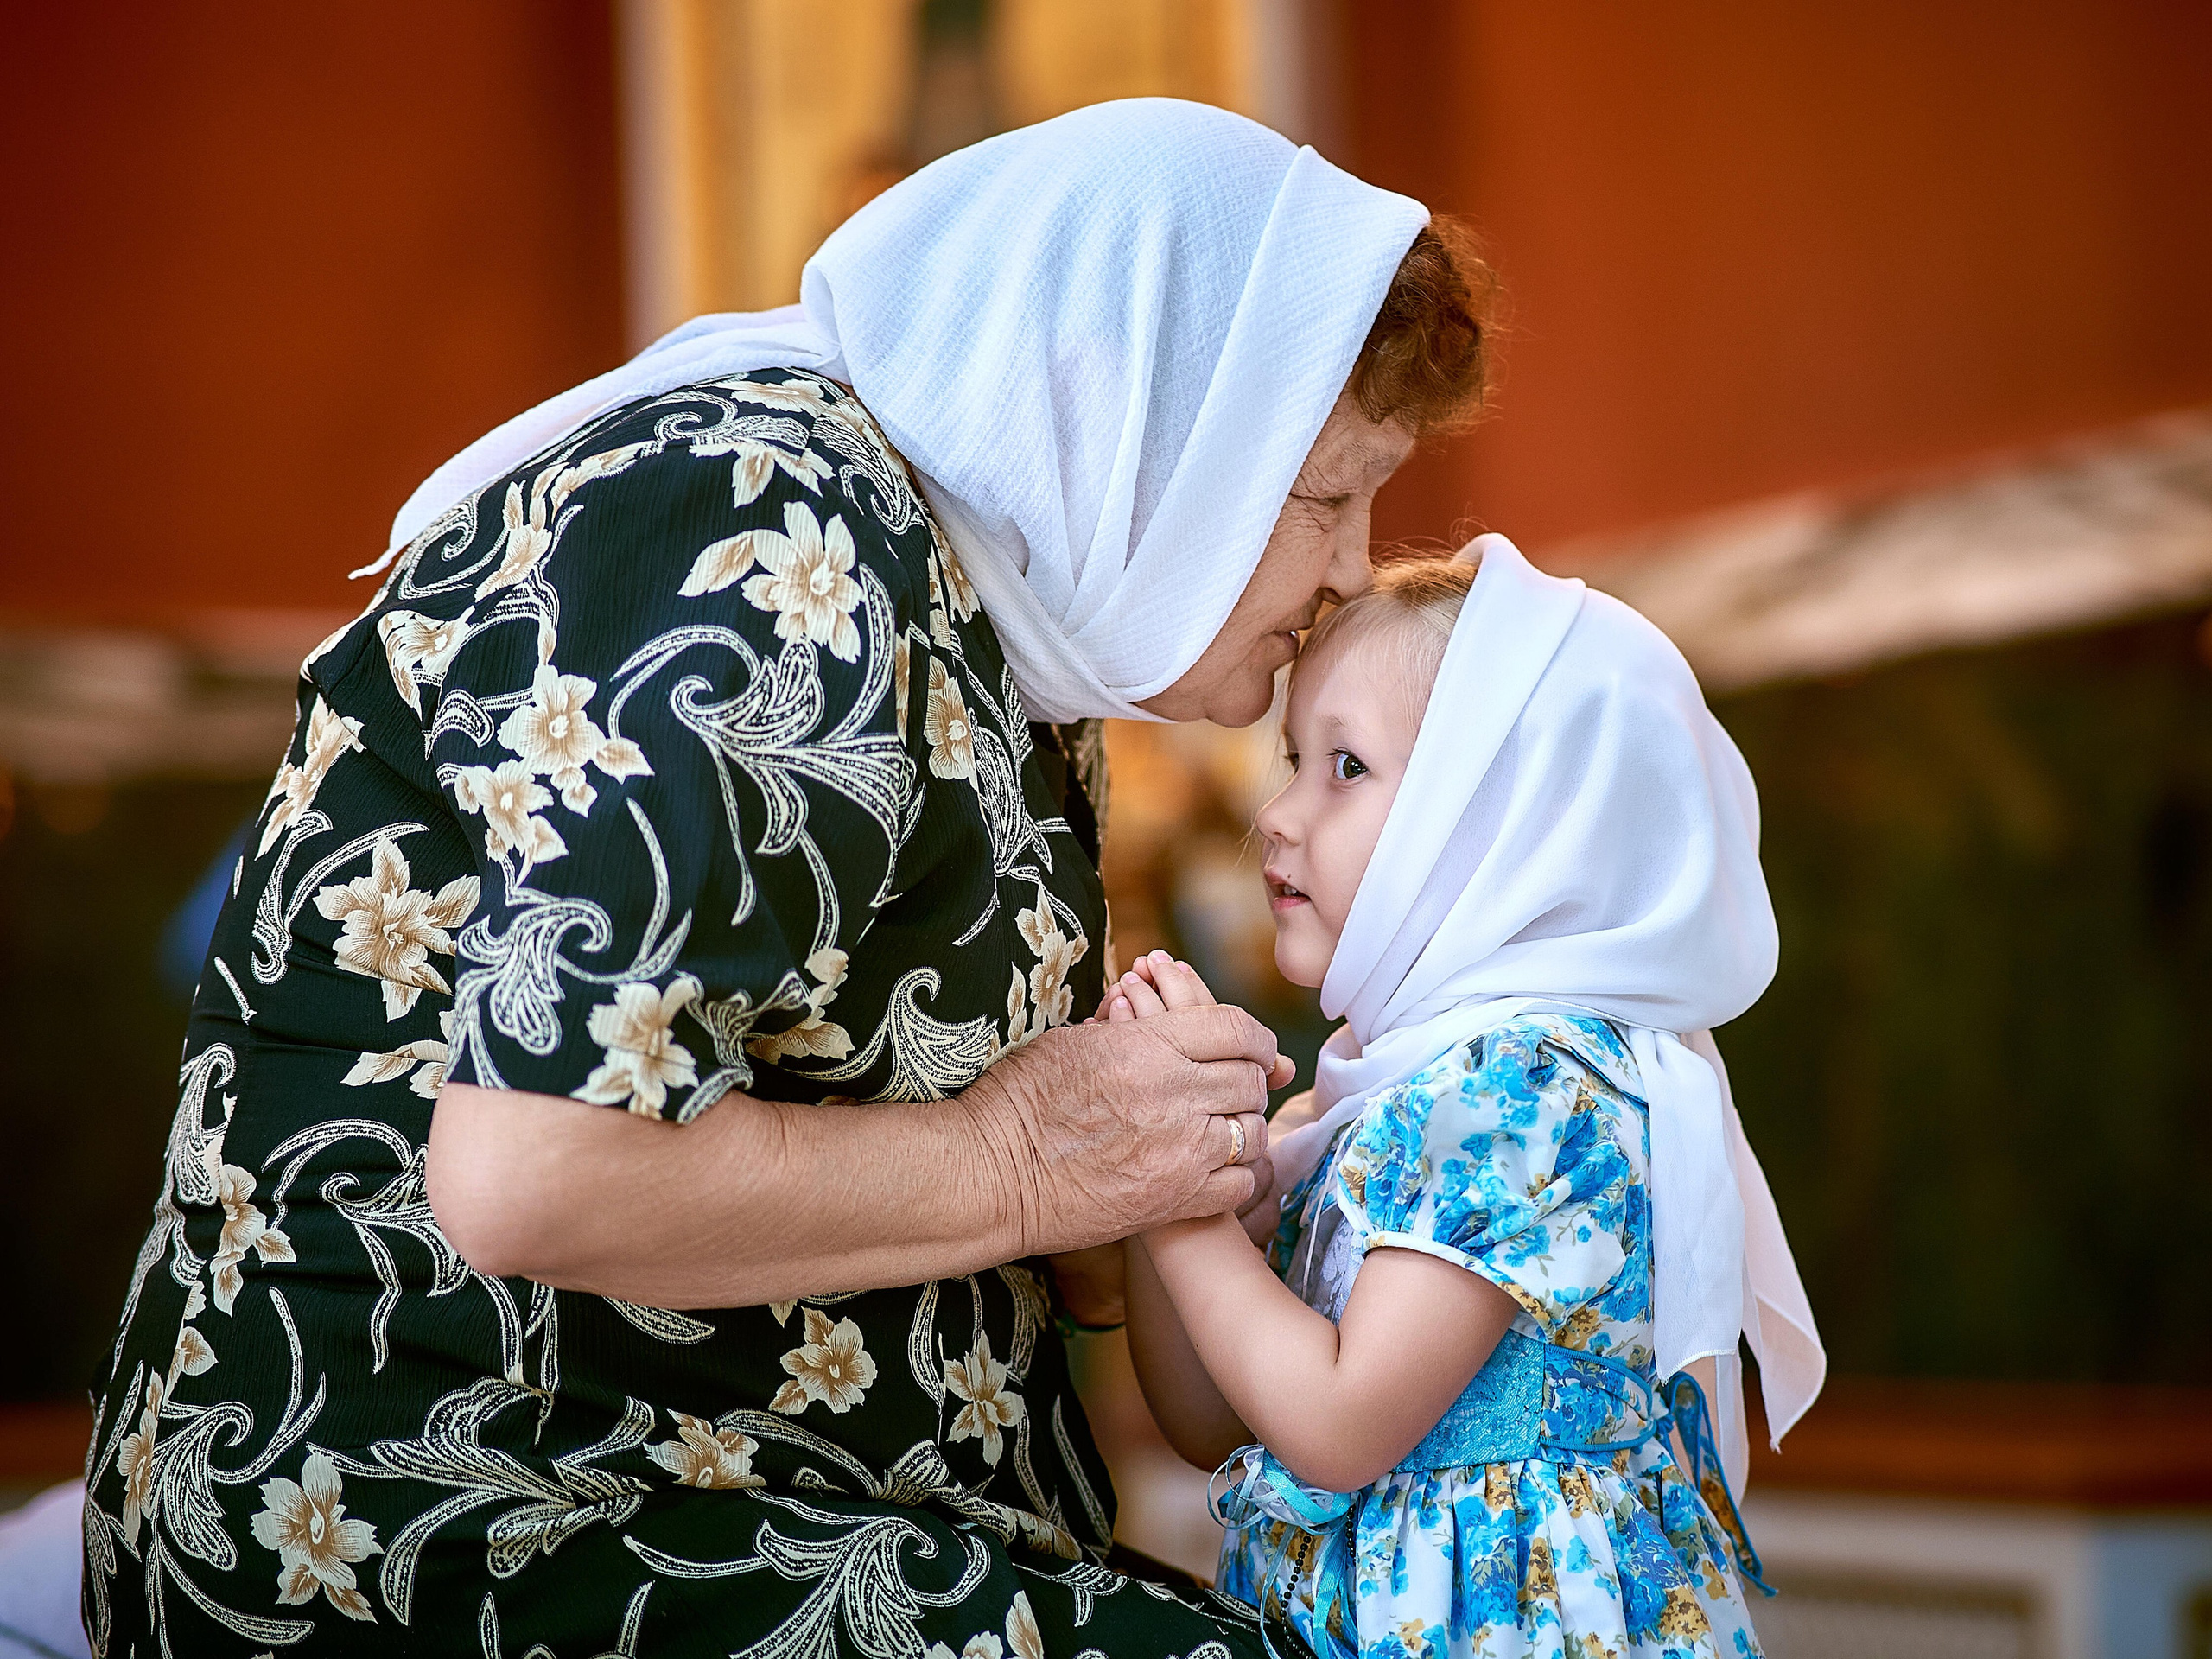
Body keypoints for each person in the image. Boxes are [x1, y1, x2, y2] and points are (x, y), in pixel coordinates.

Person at [80, 101, 1498, 1656]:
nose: (1360, 566)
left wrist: (1137, 1205)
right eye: (1326, 496)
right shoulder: (761, 525)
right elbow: (541, 1165)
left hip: (756, 1503)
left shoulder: (1006, 625)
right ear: (1159, 430)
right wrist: (1028, 1161)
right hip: (459, 1513)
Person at [1103, 545, 1827, 1657]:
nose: (1280, 815)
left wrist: (1189, 1219)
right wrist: (1184, 1172)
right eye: (1292, 757)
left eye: (1344, 767)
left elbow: (1338, 1425)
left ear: (1498, 821)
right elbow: (1213, 1424)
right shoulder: (1379, 1104)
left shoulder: (1521, 1086)